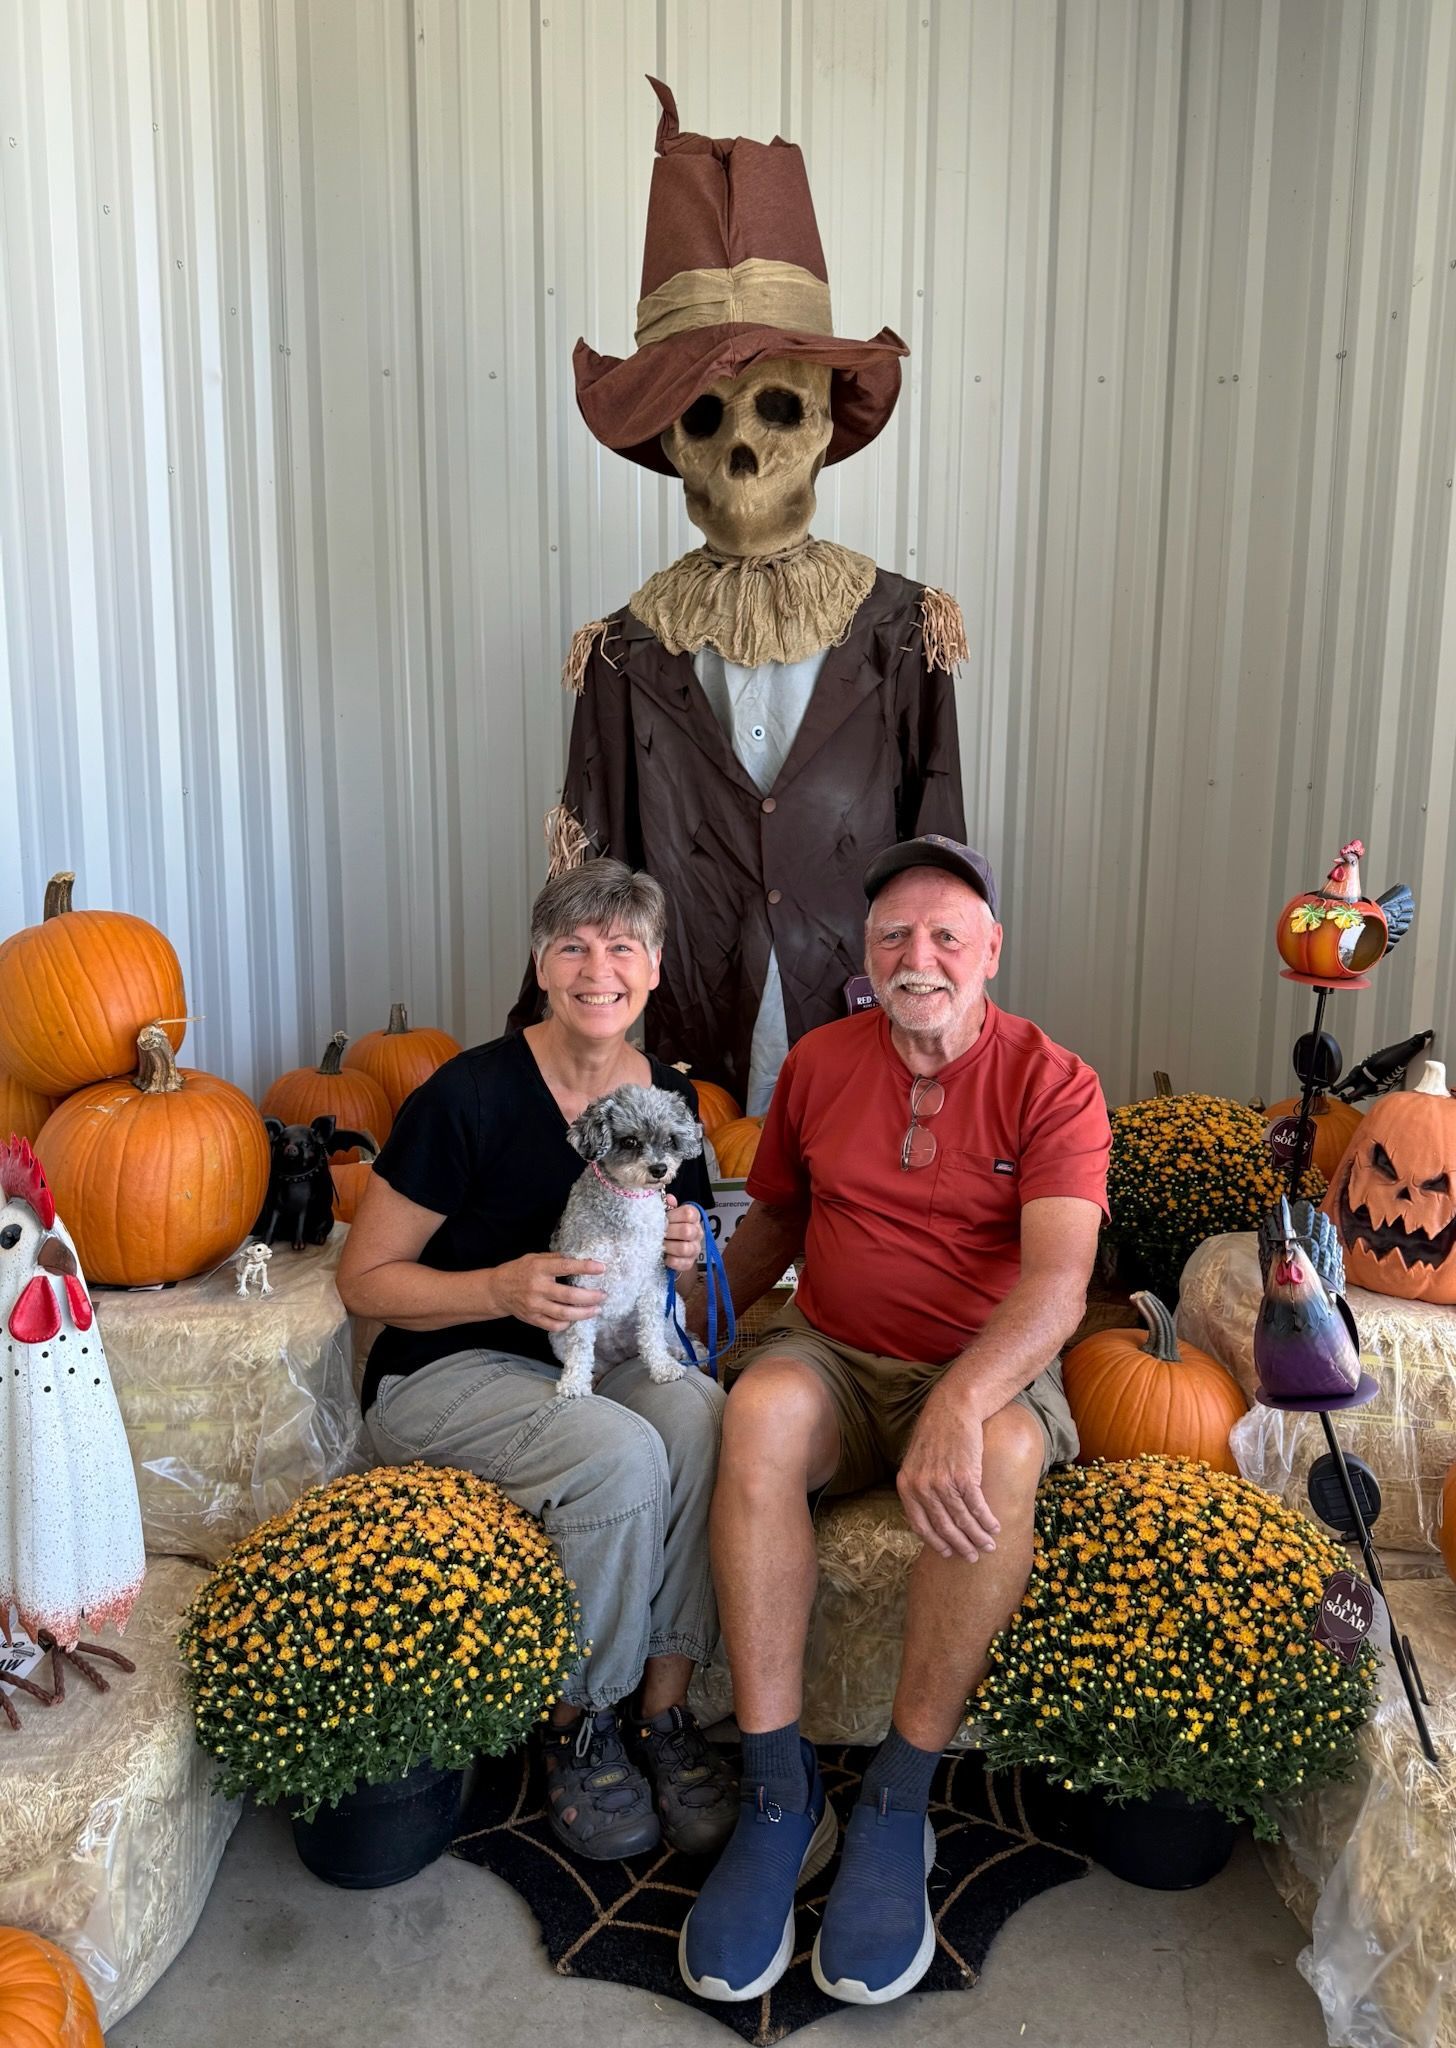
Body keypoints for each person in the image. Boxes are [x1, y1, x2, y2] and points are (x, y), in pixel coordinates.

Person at [678, 835, 1110, 2006]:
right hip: (828, 1349)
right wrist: (689, 1315)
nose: (917, 956)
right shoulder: (819, 1061)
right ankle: (780, 1792)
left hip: (979, 1362)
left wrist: (963, 1398)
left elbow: (1060, 1282)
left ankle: (898, 1798)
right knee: (757, 1417)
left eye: (944, 936)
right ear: (865, 953)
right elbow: (772, 1220)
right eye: (891, 937)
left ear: (990, 951)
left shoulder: (1052, 1080)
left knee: (1009, 1450)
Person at [337, 860, 737, 1862]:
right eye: (573, 945)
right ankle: (579, 1723)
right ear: (540, 964)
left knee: (695, 1411)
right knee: (619, 1452)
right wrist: (498, 1286)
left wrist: (688, 1254)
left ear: (652, 970)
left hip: (592, 1353)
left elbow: (668, 1299)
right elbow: (363, 1278)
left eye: (622, 946)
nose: (597, 967)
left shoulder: (673, 1102)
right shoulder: (465, 1094)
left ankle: (664, 1708)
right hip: (447, 1366)